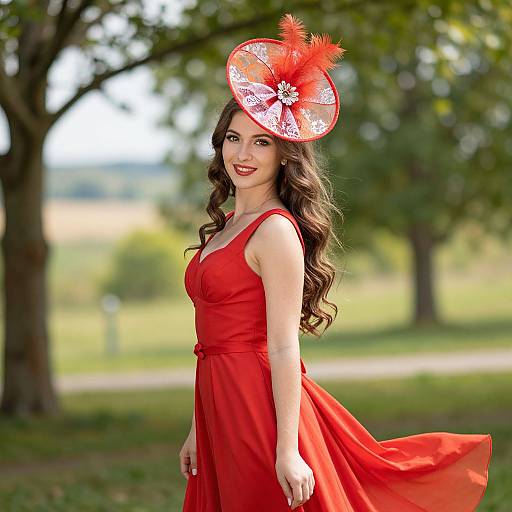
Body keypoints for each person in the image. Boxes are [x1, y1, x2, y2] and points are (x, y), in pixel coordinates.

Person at [180, 13, 492, 512]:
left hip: (259, 407)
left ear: (285, 154)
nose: (244, 153)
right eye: (234, 138)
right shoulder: (226, 228)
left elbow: (283, 348)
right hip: (218, 404)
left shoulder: (275, 230)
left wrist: (287, 449)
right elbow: (209, 344)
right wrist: (198, 427)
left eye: (262, 142)